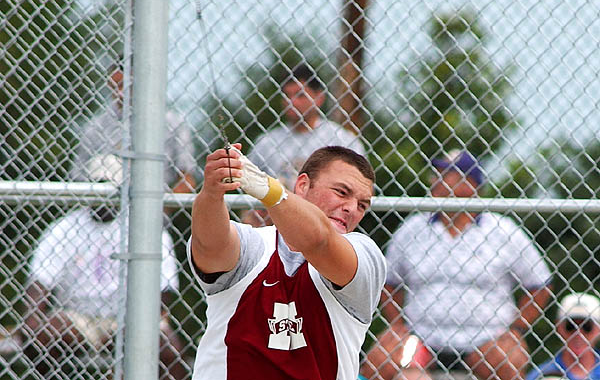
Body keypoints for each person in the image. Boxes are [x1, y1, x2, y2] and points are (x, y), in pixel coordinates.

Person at [188, 145, 386, 379]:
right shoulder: (252, 244)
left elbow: (318, 240)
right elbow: (210, 246)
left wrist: (268, 189)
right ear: (302, 186)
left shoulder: (364, 256)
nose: (352, 208)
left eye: (362, 205)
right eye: (341, 192)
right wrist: (212, 192)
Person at [362, 150, 553, 380]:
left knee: (509, 362)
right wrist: (397, 324)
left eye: (444, 175)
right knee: (378, 362)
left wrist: (516, 329)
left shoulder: (503, 230)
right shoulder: (412, 228)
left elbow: (540, 283)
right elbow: (388, 282)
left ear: (469, 184)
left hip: (486, 339)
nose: (434, 180)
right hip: (421, 336)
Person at [22, 154, 187, 379]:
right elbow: (39, 284)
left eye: (109, 189)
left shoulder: (144, 227)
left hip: (131, 318)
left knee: (170, 348)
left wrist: (138, 323)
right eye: (97, 187)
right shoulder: (65, 228)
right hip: (77, 319)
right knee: (42, 333)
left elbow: (163, 292)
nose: (103, 196)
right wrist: (32, 324)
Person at [244, 63, 365, 225]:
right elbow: (248, 198)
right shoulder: (267, 142)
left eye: (300, 95)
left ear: (319, 98)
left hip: (325, 228)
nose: (292, 102)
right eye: (287, 95)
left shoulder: (341, 140)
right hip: (276, 228)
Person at [71, 59, 196, 197]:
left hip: (152, 206)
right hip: (100, 207)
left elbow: (187, 180)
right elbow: (78, 176)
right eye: (116, 86)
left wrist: (156, 208)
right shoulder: (96, 127)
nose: (120, 93)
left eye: (126, 86)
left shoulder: (172, 124)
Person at [527, 293, 600, 380]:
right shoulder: (540, 375)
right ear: (558, 327)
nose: (578, 334)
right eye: (570, 326)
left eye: (587, 326)